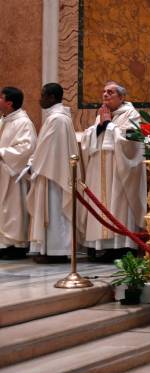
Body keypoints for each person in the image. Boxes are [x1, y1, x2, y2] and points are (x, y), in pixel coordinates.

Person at [81, 81, 145, 262]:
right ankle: (99, 246)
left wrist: (108, 126)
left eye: (110, 92)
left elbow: (133, 141)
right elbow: (89, 136)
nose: (105, 95)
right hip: (99, 168)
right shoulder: (102, 114)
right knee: (99, 204)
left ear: (122, 97)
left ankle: (120, 248)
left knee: (117, 205)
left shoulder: (132, 114)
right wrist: (101, 126)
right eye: (104, 92)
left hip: (119, 171)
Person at [25, 83, 80, 263]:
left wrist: (34, 164)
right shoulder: (56, 117)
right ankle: (48, 250)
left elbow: (51, 151)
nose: (39, 99)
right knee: (52, 213)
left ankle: (56, 251)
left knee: (56, 212)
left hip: (54, 176)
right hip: (50, 171)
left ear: (52, 98)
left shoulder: (57, 119)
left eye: (43, 95)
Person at [0, 86, 37, 259]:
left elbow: (26, 148)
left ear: (10, 103)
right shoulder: (4, 120)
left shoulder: (23, 122)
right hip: (3, 172)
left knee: (13, 210)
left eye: (1, 98)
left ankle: (16, 246)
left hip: (14, 174)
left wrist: (2, 153)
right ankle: (3, 244)